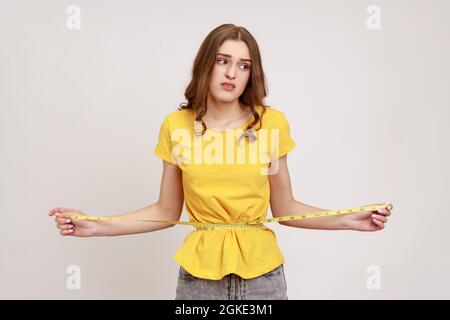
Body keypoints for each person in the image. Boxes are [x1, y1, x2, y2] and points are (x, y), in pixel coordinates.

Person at [48, 24, 393, 300]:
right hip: (199, 282)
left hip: (264, 281)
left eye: (244, 65)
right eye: (223, 60)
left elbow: (285, 207)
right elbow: (167, 211)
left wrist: (349, 219)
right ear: (206, 64)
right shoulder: (177, 127)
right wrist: (96, 225)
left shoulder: (270, 124)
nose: (232, 73)